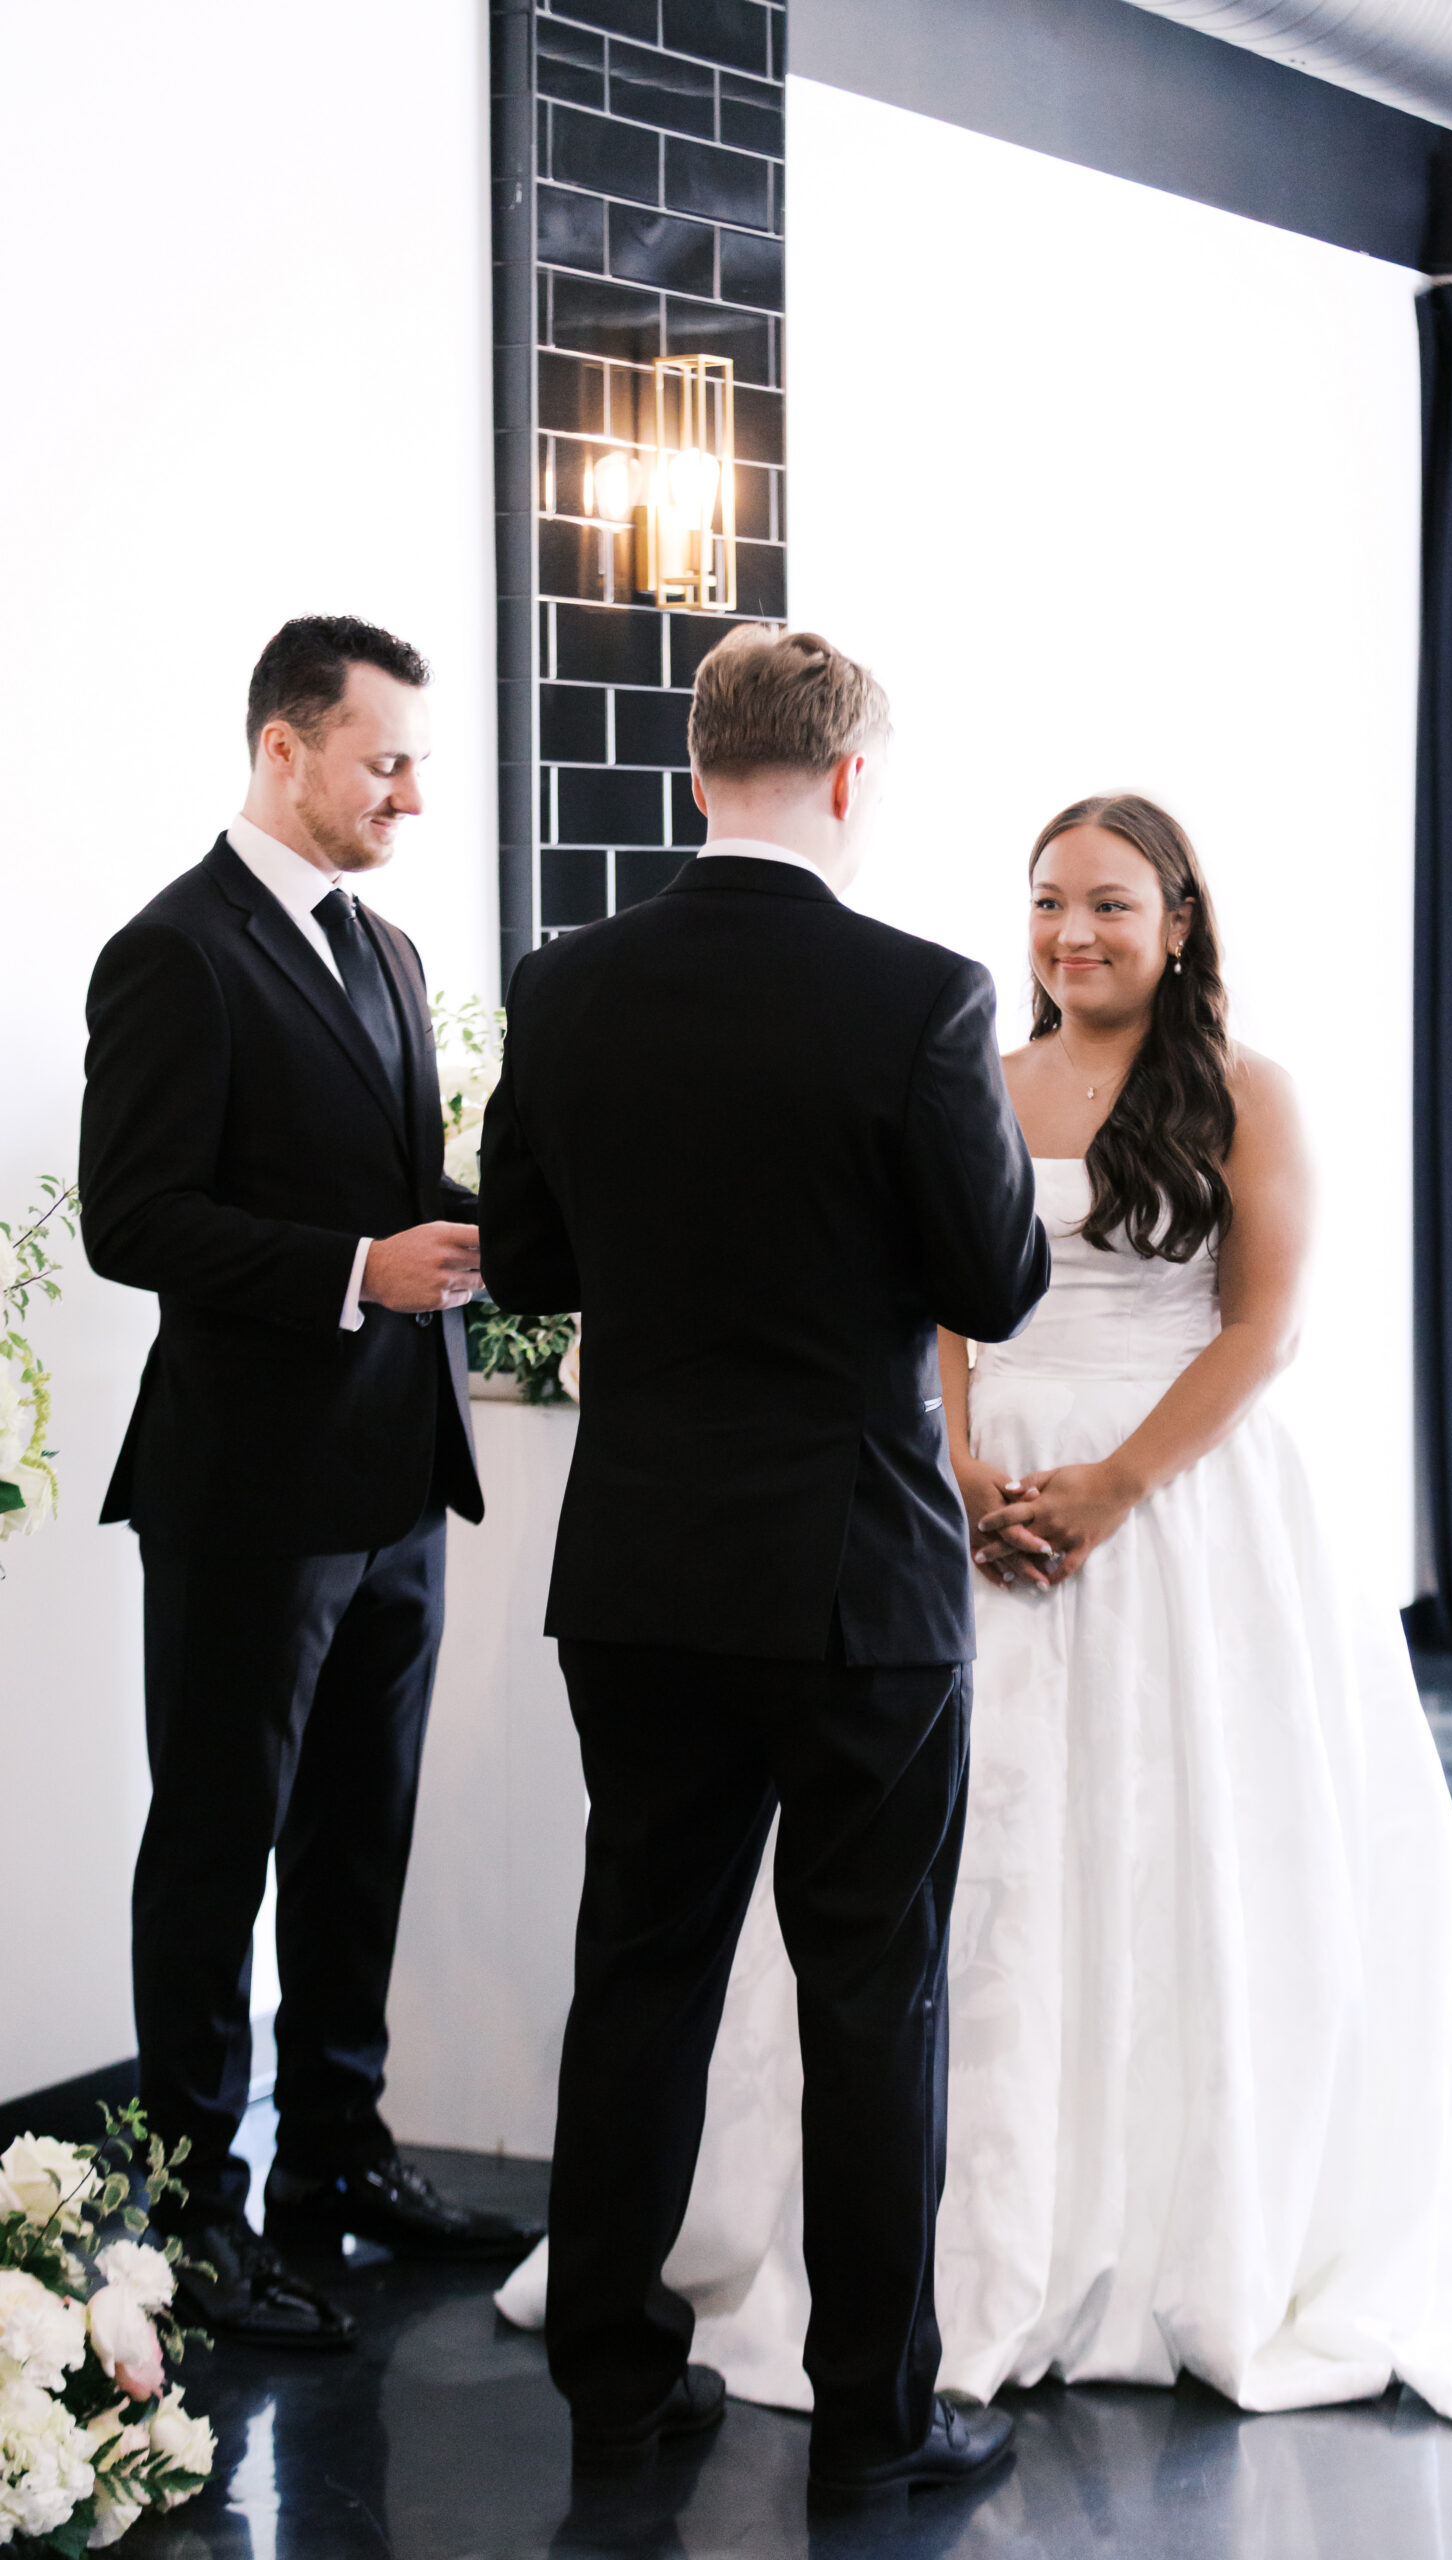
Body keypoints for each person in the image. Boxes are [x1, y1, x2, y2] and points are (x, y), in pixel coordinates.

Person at [534, 788, 1452, 2460]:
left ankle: (1167, 2228)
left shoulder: (1245, 1093)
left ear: (1178, 924)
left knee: (1172, 1852)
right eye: (1046, 902)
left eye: (1106, 905)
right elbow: (932, 1296)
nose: (1070, 934)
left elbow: (1263, 1328)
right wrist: (957, 1462)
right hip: (966, 1504)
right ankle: (940, 2259)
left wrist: (1114, 1487)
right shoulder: (976, 1066)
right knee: (958, 1903)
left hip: (1173, 1502)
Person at [476, 626, 1050, 2499]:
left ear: (695, 767)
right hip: (857, 1582)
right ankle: (876, 2424)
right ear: (853, 777)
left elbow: (529, 1265)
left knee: (640, 1972)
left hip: (642, 1571)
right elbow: (994, 1281)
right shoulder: (923, 995)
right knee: (871, 1996)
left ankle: (615, 2387)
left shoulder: (566, 985)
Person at [80, 615, 539, 2350]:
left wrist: (525, 1232)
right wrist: (356, 1267)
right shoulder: (174, 953)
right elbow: (136, 1219)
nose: (410, 795)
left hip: (398, 1476)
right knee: (217, 1849)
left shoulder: (389, 950)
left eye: (416, 763)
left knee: (360, 1842)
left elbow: (395, 1182)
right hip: (248, 1490)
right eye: (385, 762)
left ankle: (335, 2162)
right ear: (285, 748)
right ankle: (195, 2215)